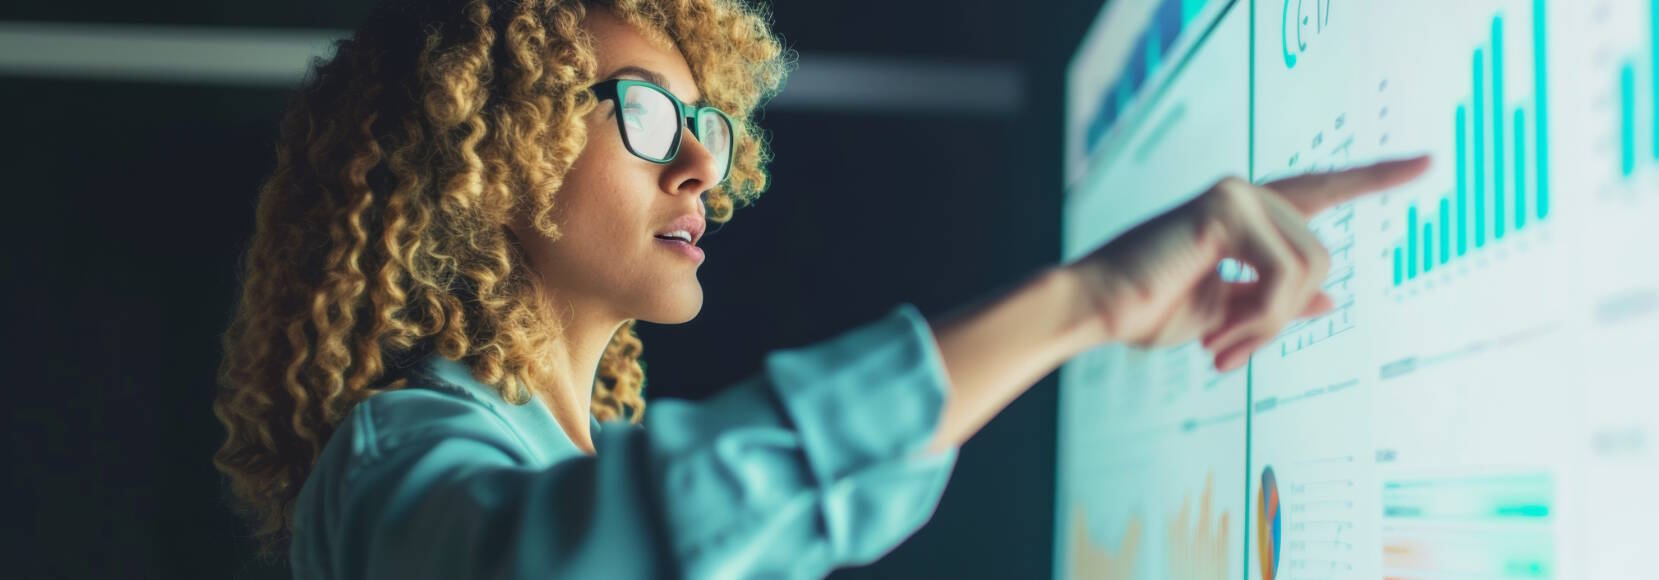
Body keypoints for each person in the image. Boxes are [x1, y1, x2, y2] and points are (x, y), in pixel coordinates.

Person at [209, 0, 1431, 577]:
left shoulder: (560, 451)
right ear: (484, 151)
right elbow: (582, 556)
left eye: (705, 125)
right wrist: (1084, 302)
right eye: (647, 115)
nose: (702, 165)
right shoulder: (395, 454)